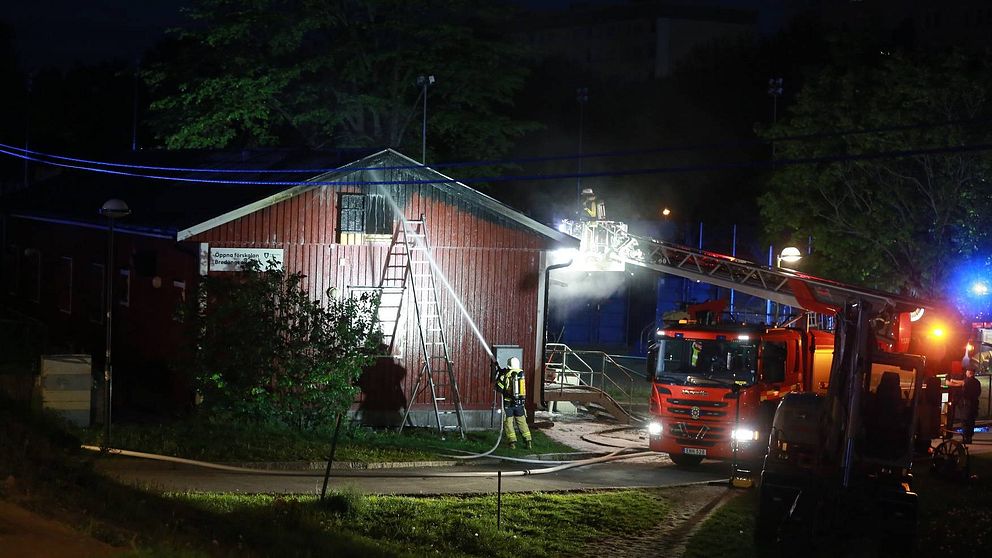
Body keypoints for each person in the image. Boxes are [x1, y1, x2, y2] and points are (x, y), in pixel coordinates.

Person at [494, 357, 532, 449]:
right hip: (520, 404)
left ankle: (512, 443)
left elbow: (499, 388)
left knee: (508, 423)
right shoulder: (521, 374)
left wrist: (499, 376)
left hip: (508, 404)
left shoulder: (506, 375)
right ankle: (528, 441)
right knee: (522, 422)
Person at [961, 365, 982, 444]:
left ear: (969, 372)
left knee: (965, 421)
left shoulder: (966, 381)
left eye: (966, 371)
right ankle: (970, 437)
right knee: (971, 421)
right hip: (974, 404)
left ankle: (966, 438)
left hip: (967, 404)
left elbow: (964, 393)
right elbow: (979, 392)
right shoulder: (977, 382)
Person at [944, 364, 965, 439]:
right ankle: (949, 433)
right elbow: (947, 383)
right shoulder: (949, 372)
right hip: (952, 396)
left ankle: (965, 435)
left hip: (960, 396)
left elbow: (964, 382)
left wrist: (953, 382)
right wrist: (958, 384)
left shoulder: (963, 371)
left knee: (963, 415)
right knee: (950, 416)